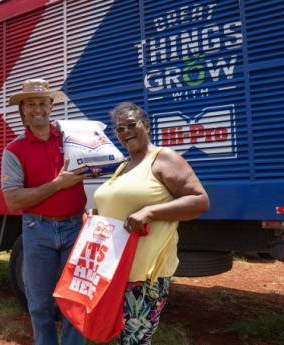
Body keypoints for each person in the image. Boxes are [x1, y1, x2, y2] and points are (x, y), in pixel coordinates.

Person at [92, 102, 210, 345]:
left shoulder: (163, 157)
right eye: (119, 129)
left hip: (145, 275)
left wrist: (150, 211)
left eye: (132, 124)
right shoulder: (124, 166)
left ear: (146, 125)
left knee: (134, 341)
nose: (126, 132)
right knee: (120, 336)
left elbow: (200, 201)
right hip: (116, 271)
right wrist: (98, 215)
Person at [1, 78, 91, 345]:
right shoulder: (13, 151)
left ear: (51, 106)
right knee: (40, 303)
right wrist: (57, 185)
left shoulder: (73, 140)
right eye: (30, 104)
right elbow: (14, 201)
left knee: (75, 300)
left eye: (42, 103)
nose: (37, 109)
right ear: (22, 111)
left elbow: (99, 162)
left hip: (75, 226)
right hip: (36, 230)